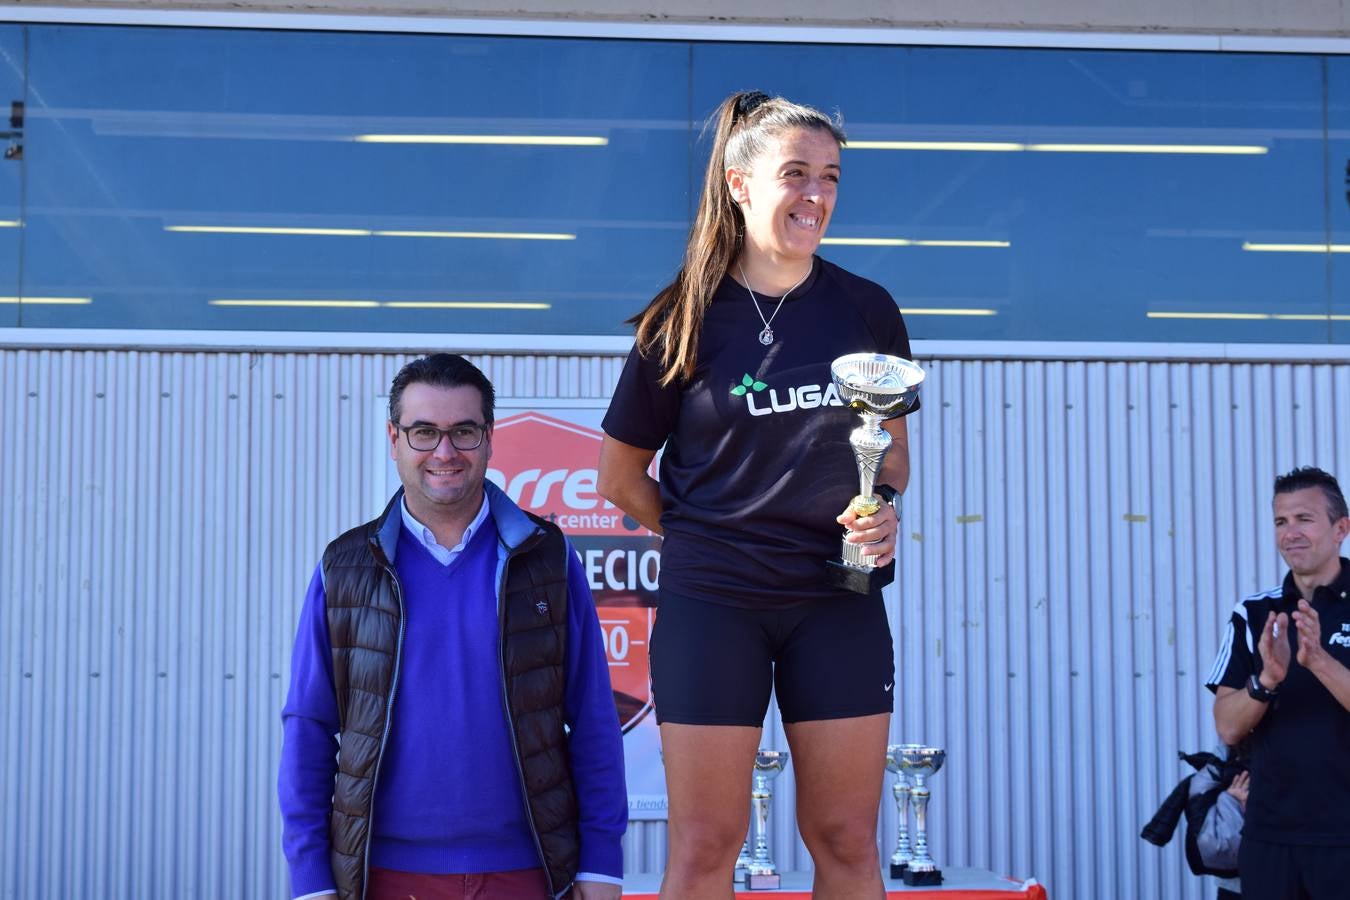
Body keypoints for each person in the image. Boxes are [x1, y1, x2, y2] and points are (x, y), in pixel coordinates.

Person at [596, 91, 918, 899]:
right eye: (796, 174)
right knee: (707, 844)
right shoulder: (681, 318)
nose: (816, 195)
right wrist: (708, 536)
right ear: (740, 184)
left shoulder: (866, 308)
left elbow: (895, 462)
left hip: (836, 597)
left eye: (831, 178)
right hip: (715, 603)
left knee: (845, 838)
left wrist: (880, 517)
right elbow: (619, 478)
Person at [278, 353, 627, 900]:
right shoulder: (344, 567)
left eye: (463, 432)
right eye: (424, 432)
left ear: (489, 438)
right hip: (381, 876)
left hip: (527, 872)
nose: (444, 452)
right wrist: (310, 879)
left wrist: (601, 863)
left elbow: (593, 718)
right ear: (394, 438)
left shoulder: (547, 559)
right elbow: (309, 726)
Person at [1207, 465, 1350, 899]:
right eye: (1280, 522)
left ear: (1341, 528)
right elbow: (1228, 727)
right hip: (1270, 837)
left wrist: (1320, 662)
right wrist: (1266, 680)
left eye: (1304, 519)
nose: (1291, 533)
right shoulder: (1253, 613)